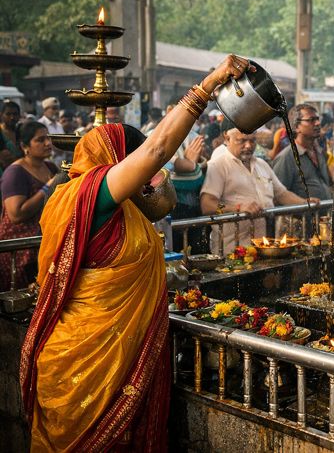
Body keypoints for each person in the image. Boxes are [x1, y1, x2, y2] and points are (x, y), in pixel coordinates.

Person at [19, 54, 251, 451]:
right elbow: (158, 149)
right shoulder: (93, 194)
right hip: (86, 365)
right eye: (134, 161)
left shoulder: (114, 202)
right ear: (117, 160)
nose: (142, 173)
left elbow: (159, 201)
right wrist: (211, 82)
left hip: (111, 355)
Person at [200, 125, 312, 253]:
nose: (248, 146)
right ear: (227, 138)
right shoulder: (218, 165)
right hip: (232, 252)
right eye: (242, 141)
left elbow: (282, 194)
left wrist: (305, 203)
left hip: (262, 248)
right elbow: (207, 205)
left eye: (252, 140)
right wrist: (237, 208)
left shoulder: (261, 164)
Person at [0, 122, 58, 290]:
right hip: (19, 249)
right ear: (24, 146)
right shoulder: (15, 172)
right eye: (40, 140)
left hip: (41, 244)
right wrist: (48, 187)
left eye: (48, 138)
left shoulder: (51, 167)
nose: (48, 143)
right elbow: (16, 214)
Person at [273, 104, 333, 201]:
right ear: (296, 127)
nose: (317, 123)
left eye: (318, 119)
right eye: (311, 120)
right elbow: (277, 195)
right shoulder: (286, 157)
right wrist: (302, 203)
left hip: (323, 215)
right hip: (302, 216)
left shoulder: (319, 152)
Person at [1, 100, 23, 168]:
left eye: (15, 114)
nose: (12, 117)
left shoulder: (22, 132)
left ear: (19, 116)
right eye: (8, 114)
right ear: (1, 115)